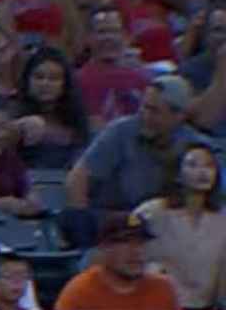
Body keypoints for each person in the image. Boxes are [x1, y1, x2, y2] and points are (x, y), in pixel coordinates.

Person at [66, 76, 205, 231]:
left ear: (179, 116)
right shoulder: (120, 132)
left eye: (154, 111)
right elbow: (78, 179)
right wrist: (81, 225)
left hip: (167, 227)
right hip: (114, 223)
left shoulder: (196, 146)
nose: (145, 116)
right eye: (144, 107)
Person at [136, 142, 226, 309]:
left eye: (209, 166)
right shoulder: (154, 212)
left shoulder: (222, 219)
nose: (202, 172)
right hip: (158, 308)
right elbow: (128, 249)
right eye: (193, 164)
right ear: (177, 173)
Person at [55, 215, 181, 310]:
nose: (136, 251)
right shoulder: (80, 292)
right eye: (126, 243)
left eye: (140, 243)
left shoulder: (163, 290)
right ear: (104, 247)